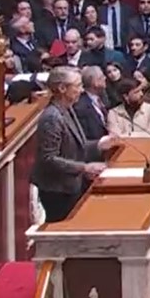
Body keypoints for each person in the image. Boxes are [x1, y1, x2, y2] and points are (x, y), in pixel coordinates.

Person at [31, 66, 119, 222]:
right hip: (57, 190)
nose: (81, 90)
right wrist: (84, 168)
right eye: (77, 86)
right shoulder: (52, 117)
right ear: (62, 88)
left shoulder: (68, 109)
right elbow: (49, 158)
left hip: (71, 186)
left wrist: (99, 144)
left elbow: (76, 145)